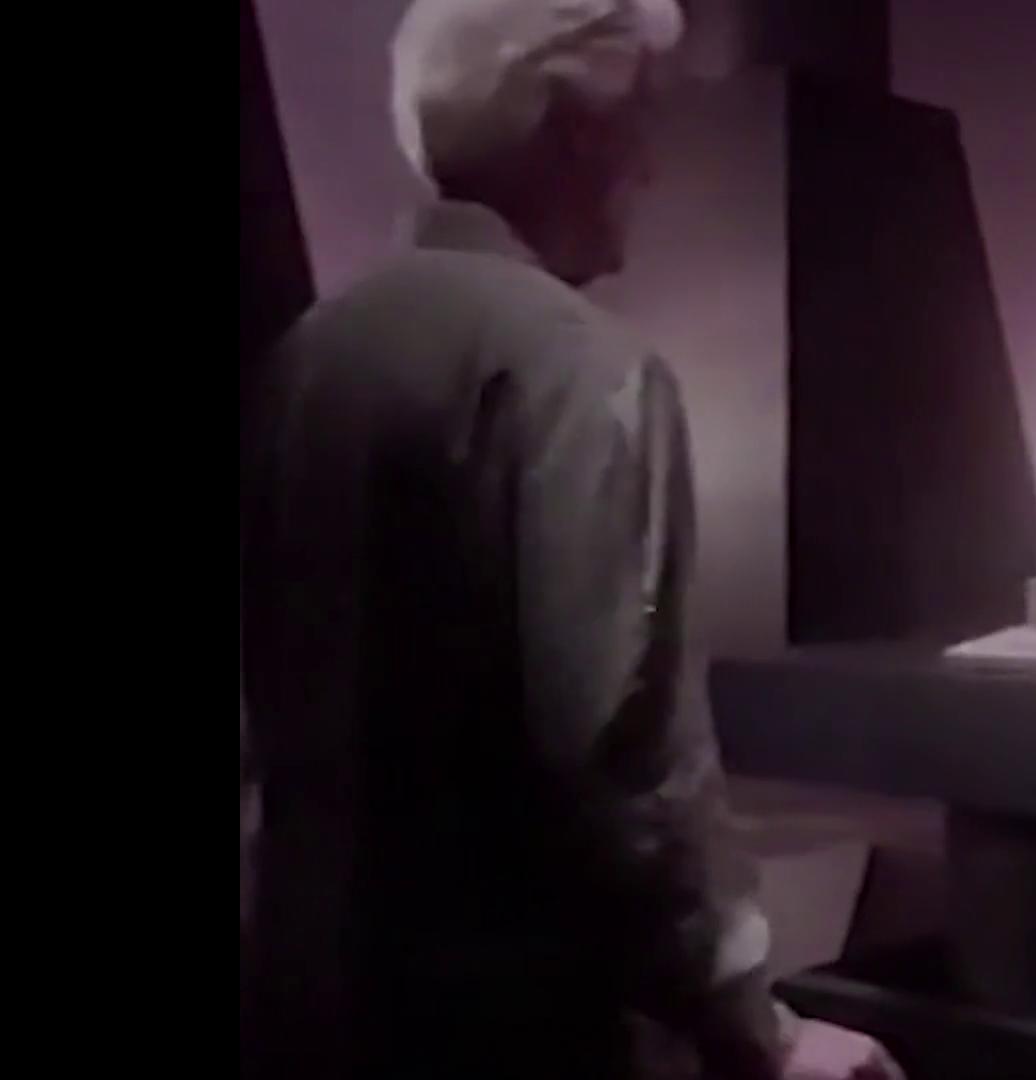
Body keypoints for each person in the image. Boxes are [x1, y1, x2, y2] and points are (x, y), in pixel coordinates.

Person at [239, 2, 901, 1077]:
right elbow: (622, 755)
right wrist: (760, 1033)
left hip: (299, 1008)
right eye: (643, 120)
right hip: (513, 1032)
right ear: (574, 126)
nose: (653, 168)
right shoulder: (584, 368)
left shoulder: (307, 356)